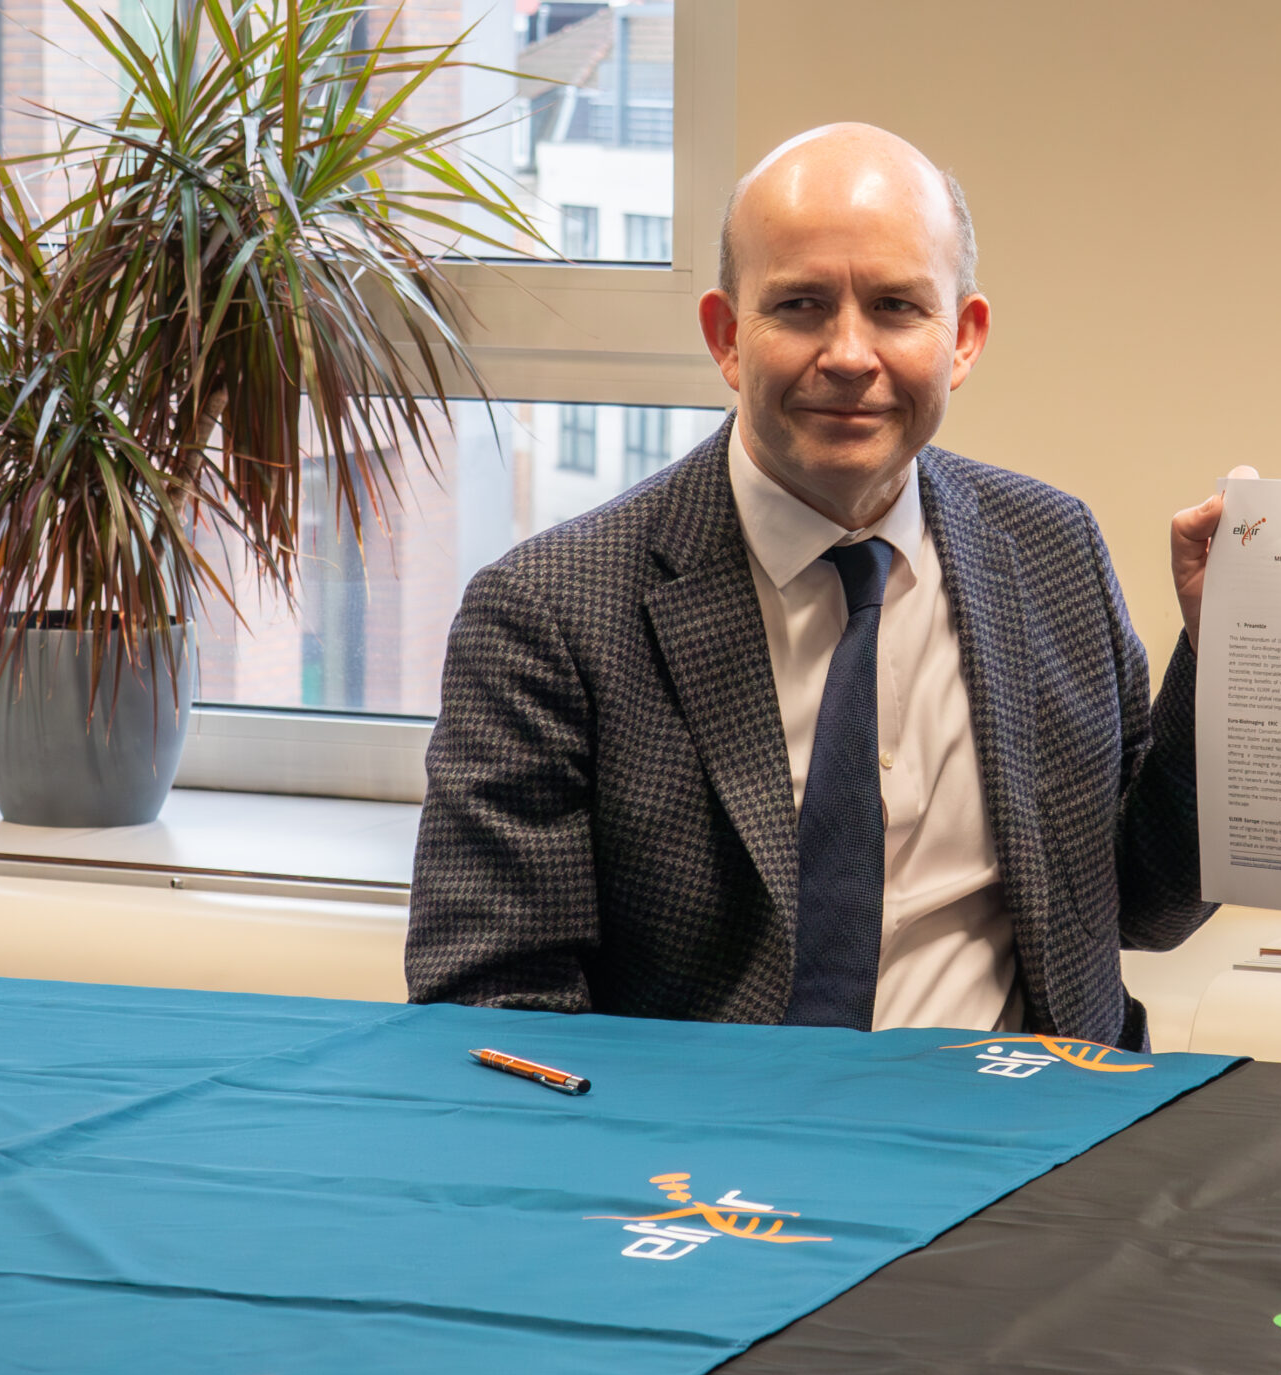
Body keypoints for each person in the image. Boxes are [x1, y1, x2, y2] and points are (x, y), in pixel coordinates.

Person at [408, 124, 1212, 1046]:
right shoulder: (549, 614)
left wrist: (1224, 660)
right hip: (713, 1158)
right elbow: (493, 1001)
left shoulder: (1051, 547)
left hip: (1036, 1132)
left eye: (898, 308)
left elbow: (1147, 909)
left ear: (964, 337)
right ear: (725, 337)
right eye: (799, 305)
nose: (850, 355)